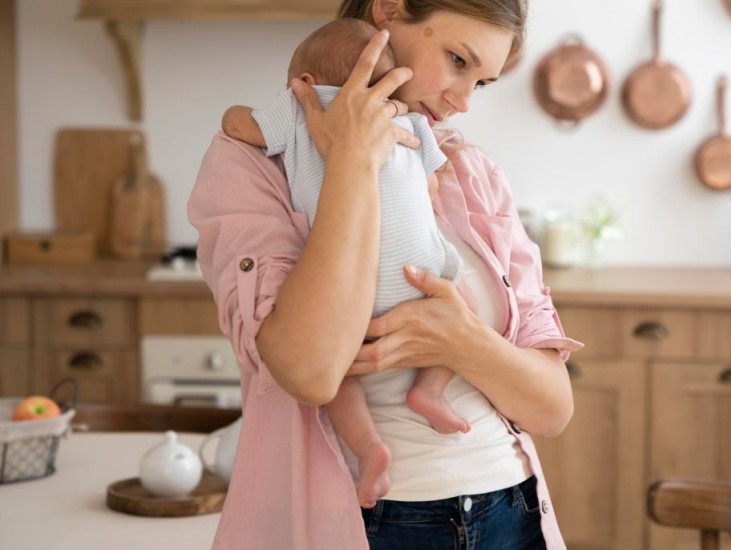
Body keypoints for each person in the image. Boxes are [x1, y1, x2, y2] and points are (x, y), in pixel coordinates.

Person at [188, 0, 583, 548]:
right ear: (390, 11)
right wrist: (352, 158)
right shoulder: (259, 163)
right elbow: (311, 373)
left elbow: (553, 408)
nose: (463, 100)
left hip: (508, 508)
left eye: (483, 82)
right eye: (457, 59)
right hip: (368, 521)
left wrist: (462, 341)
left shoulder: (467, 170)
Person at [220, 17, 475, 509]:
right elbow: (432, 185)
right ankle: (431, 389)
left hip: (352, 280)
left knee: (340, 370)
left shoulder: (298, 112)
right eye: (458, 62)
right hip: (419, 273)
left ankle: (368, 447)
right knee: (457, 307)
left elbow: (237, 125)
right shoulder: (410, 122)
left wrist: (260, 108)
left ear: (306, 83)